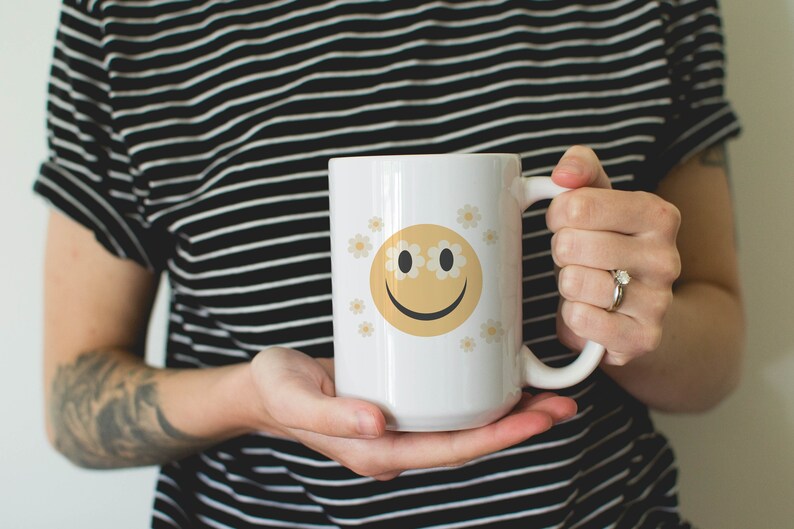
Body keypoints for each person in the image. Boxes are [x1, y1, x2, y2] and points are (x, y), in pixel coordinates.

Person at [36, 1, 744, 527]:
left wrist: (619, 321)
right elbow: (74, 406)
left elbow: (717, 360)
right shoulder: (124, 19)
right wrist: (252, 400)